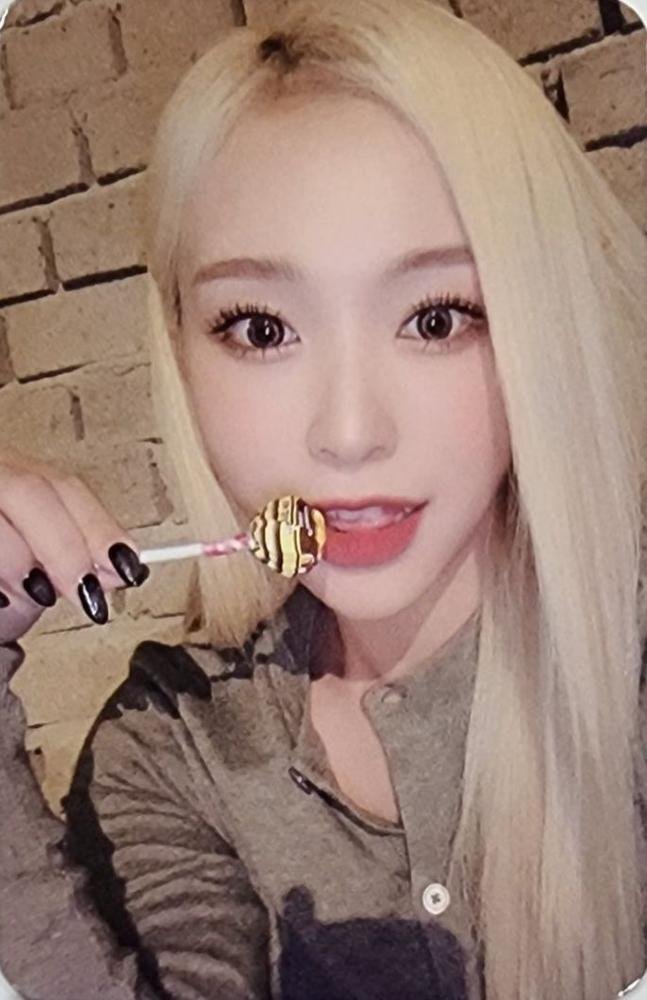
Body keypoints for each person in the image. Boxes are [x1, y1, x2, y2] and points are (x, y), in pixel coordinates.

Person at [0, 0, 646, 997]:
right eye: (260, 329)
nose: (347, 433)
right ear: (181, 353)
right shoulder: (173, 742)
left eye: (437, 318)